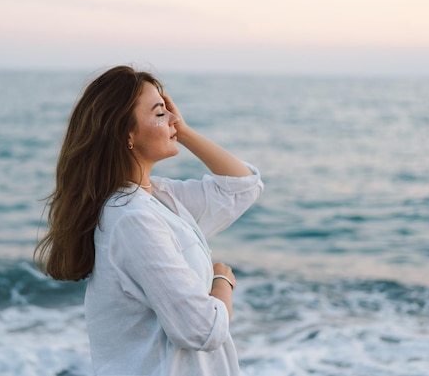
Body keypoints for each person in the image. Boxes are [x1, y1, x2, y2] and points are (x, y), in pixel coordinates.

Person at [34, 65, 263, 376]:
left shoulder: (159, 197)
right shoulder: (132, 218)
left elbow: (243, 186)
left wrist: (183, 130)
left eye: (169, 111)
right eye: (159, 113)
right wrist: (222, 280)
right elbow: (202, 330)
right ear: (126, 134)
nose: (172, 119)